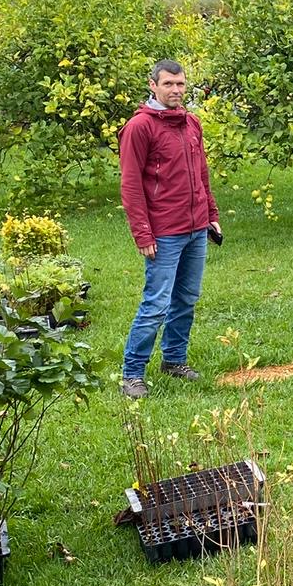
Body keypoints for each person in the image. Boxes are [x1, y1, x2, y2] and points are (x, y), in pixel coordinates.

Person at [118, 59, 220, 399]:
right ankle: (132, 373)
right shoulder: (140, 127)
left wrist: (211, 214)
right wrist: (143, 232)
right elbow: (131, 185)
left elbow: (202, 173)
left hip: (195, 228)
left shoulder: (191, 123)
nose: (175, 90)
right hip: (164, 232)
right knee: (156, 304)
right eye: (168, 84)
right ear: (153, 85)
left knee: (186, 299)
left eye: (180, 84)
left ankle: (174, 359)